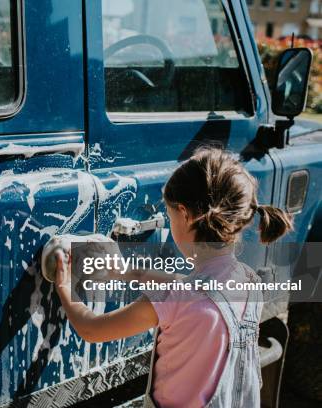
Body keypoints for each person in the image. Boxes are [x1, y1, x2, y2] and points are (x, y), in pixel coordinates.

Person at [53, 147, 293, 408]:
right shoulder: (249, 282)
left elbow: (92, 329)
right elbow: (196, 290)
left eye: (169, 217)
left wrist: (64, 289)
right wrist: (126, 272)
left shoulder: (175, 300)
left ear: (185, 214)